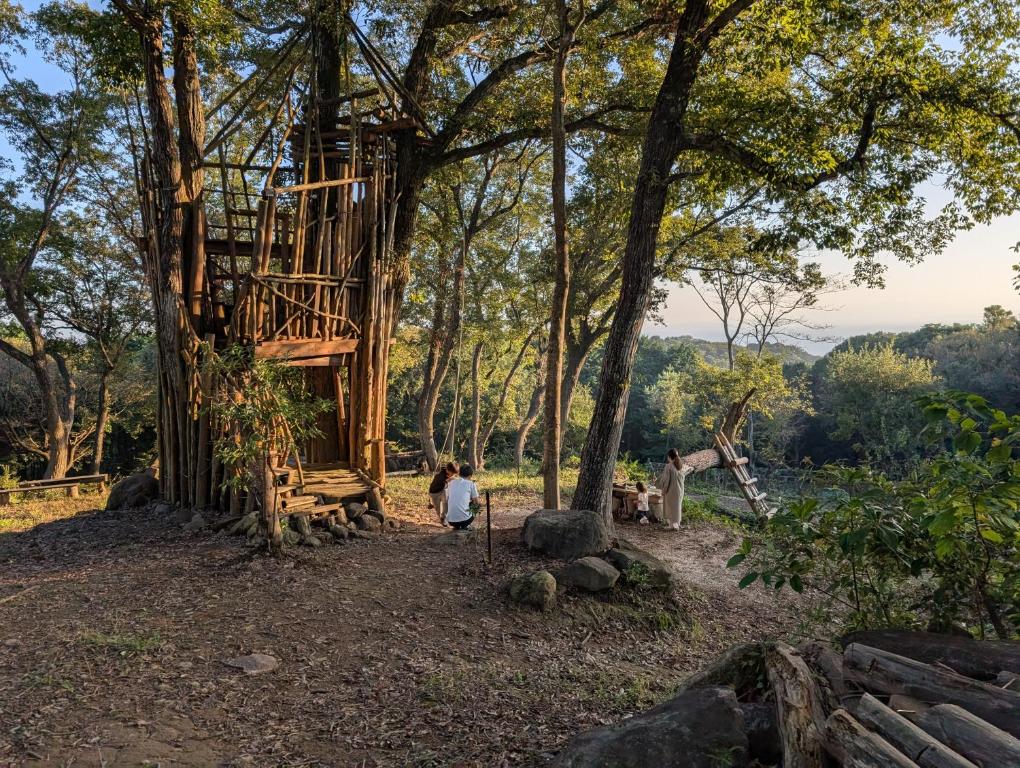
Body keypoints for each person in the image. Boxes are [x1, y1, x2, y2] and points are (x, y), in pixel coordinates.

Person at [656, 448, 694, 531]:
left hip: (671, 491)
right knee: (677, 508)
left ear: (669, 456)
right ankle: (676, 524)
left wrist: (663, 491)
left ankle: (671, 525)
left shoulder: (668, 466)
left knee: (670, 508)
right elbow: (688, 470)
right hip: (680, 491)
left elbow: (666, 481)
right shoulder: (681, 465)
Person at [445, 464, 480, 530]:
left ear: (459, 474)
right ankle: (465, 526)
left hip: (450, 521)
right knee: (476, 505)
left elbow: (448, 499)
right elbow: (476, 502)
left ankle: (457, 526)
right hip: (466, 520)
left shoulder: (451, 483)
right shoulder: (471, 483)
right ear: (470, 476)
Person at [428, 462, 458, 526]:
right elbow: (443, 483)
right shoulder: (440, 475)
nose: (453, 475)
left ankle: (444, 517)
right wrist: (448, 480)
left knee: (446, 502)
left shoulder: (449, 473)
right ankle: (441, 518)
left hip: (442, 491)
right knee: (438, 509)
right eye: (452, 473)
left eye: (454, 474)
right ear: (447, 470)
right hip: (434, 493)